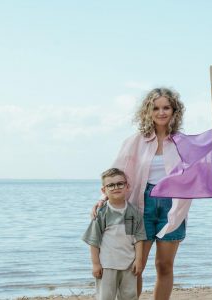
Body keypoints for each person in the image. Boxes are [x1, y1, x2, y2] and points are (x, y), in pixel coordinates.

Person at [92, 87, 192, 299]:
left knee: (164, 266)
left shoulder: (182, 142)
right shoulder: (134, 141)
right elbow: (117, 172)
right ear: (148, 111)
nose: (161, 112)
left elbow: (195, 174)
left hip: (171, 207)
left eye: (166, 107)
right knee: (135, 265)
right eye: (156, 108)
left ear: (175, 111)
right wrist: (103, 198)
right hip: (139, 206)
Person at [83, 168, 146, 300]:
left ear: (127, 186)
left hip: (129, 265)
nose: (115, 187)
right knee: (105, 297)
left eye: (120, 184)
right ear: (103, 190)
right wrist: (95, 264)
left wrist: (139, 260)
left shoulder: (134, 213)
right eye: (110, 185)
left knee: (129, 296)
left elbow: (138, 239)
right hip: (107, 265)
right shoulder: (101, 213)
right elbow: (93, 241)